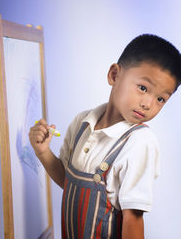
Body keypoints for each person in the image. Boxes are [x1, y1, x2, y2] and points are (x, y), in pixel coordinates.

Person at [29, 34, 181, 239]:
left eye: (161, 99)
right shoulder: (82, 123)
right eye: (143, 88)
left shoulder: (140, 142)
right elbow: (68, 181)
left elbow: (133, 219)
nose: (148, 104)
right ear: (114, 75)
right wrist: (43, 152)